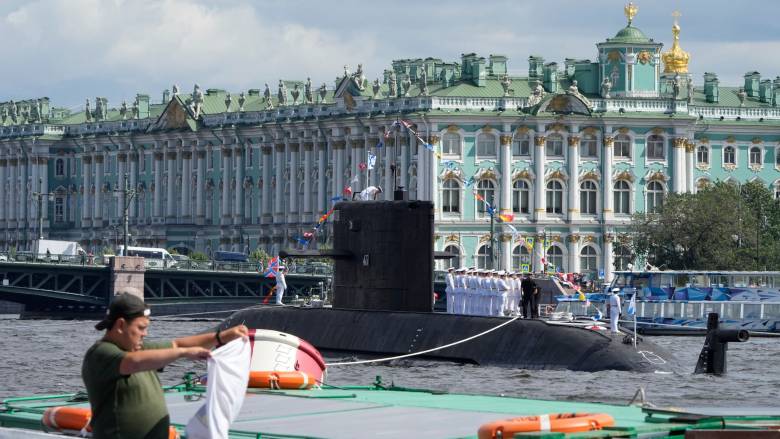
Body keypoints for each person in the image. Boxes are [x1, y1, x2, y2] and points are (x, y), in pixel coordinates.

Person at [82, 293, 248, 438]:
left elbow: (176, 344)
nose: (145, 334)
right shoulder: (101, 354)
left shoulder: (139, 349)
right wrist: (183, 353)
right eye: (141, 328)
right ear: (120, 325)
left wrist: (221, 337)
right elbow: (132, 363)